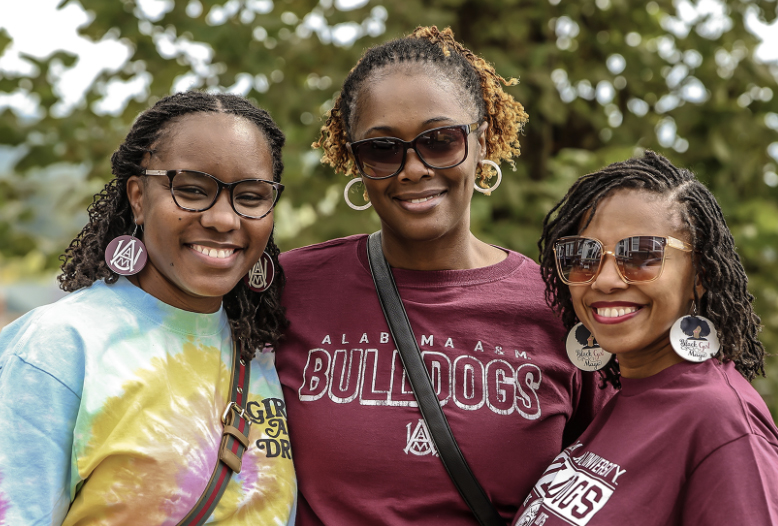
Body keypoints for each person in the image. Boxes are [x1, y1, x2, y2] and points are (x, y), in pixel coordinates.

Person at [275, 26, 610, 525]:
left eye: (439, 141)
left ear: (482, 141)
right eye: (383, 149)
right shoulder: (288, 288)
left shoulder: (560, 307)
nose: (413, 168)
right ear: (356, 162)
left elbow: (621, 471)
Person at [0, 92, 296, 525]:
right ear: (138, 197)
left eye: (250, 197)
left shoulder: (262, 351)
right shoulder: (61, 346)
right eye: (192, 191)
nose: (223, 219)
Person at [513, 151, 778, 526]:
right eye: (584, 256)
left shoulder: (721, 421)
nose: (604, 280)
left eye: (641, 255)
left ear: (699, 273)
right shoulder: (621, 401)